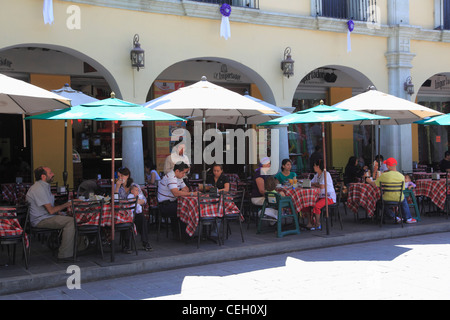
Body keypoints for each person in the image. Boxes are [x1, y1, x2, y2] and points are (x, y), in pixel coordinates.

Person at [26, 166, 78, 262]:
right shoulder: (38, 189)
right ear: (43, 176)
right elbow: (51, 210)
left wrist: (60, 212)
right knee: (71, 221)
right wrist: (68, 203)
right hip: (40, 220)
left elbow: (50, 208)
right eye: (50, 173)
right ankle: (64, 255)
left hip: (46, 217)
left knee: (73, 218)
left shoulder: (44, 186)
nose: (53, 174)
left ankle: (78, 247)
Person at [365, 157, 417, 224]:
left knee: (379, 203)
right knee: (403, 198)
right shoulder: (401, 176)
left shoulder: (384, 175)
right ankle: (408, 218)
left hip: (387, 198)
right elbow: (403, 188)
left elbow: (375, 184)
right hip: (399, 198)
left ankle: (395, 217)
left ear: (388, 166)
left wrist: (369, 181)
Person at [114, 167, 150, 252]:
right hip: (123, 213)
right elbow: (115, 201)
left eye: (122, 176)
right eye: (119, 176)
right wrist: (117, 187)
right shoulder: (117, 187)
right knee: (126, 221)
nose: (120, 178)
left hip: (134, 212)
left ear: (127, 176)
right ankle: (127, 245)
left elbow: (144, 200)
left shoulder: (134, 186)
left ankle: (145, 242)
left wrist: (135, 201)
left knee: (142, 219)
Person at [157, 162, 193, 235]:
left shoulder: (178, 177)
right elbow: (176, 193)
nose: (184, 175)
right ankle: (184, 234)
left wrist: (181, 191)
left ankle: (181, 233)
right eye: (183, 173)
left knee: (186, 207)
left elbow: (186, 189)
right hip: (165, 206)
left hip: (172, 203)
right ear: (177, 171)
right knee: (185, 209)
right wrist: (191, 193)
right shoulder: (171, 177)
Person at [304, 159, 336, 231]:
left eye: (314, 165)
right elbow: (310, 183)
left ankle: (318, 224)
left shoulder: (326, 174)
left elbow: (322, 186)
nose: (313, 167)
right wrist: (316, 184)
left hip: (329, 197)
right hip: (321, 196)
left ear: (318, 166)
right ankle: (310, 222)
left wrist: (315, 184)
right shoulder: (317, 175)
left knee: (317, 205)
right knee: (308, 203)